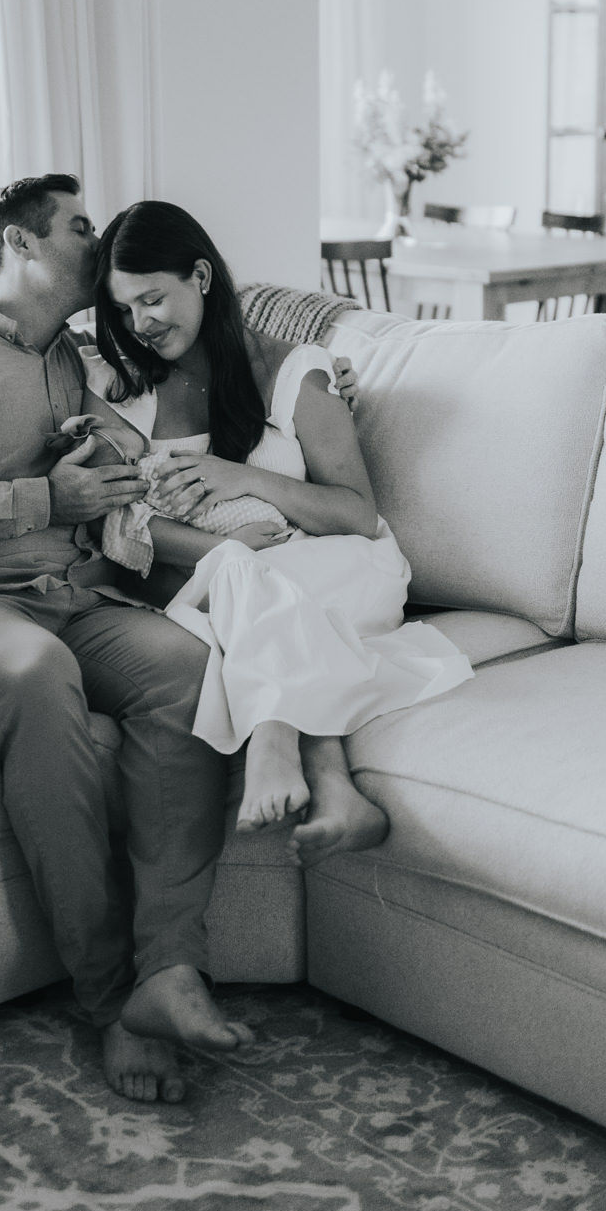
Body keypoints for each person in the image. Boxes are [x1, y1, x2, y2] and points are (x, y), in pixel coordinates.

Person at [0, 175, 255, 1108]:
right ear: (21, 245)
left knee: (189, 668)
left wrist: (319, 369)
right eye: (78, 227)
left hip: (70, 594)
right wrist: (41, 498)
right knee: (37, 672)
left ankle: (168, 970)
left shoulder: (79, 358)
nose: (98, 240)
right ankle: (110, 999)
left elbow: (209, 321)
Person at [85, 200, 473, 861]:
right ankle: (336, 789)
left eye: (152, 299)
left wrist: (242, 478)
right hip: (235, 580)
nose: (140, 324)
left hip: (342, 566)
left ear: (200, 277)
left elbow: (356, 514)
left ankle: (272, 737)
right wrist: (224, 548)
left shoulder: (296, 372)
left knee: (264, 587)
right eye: (123, 310)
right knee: (251, 580)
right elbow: (118, 524)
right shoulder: (116, 385)